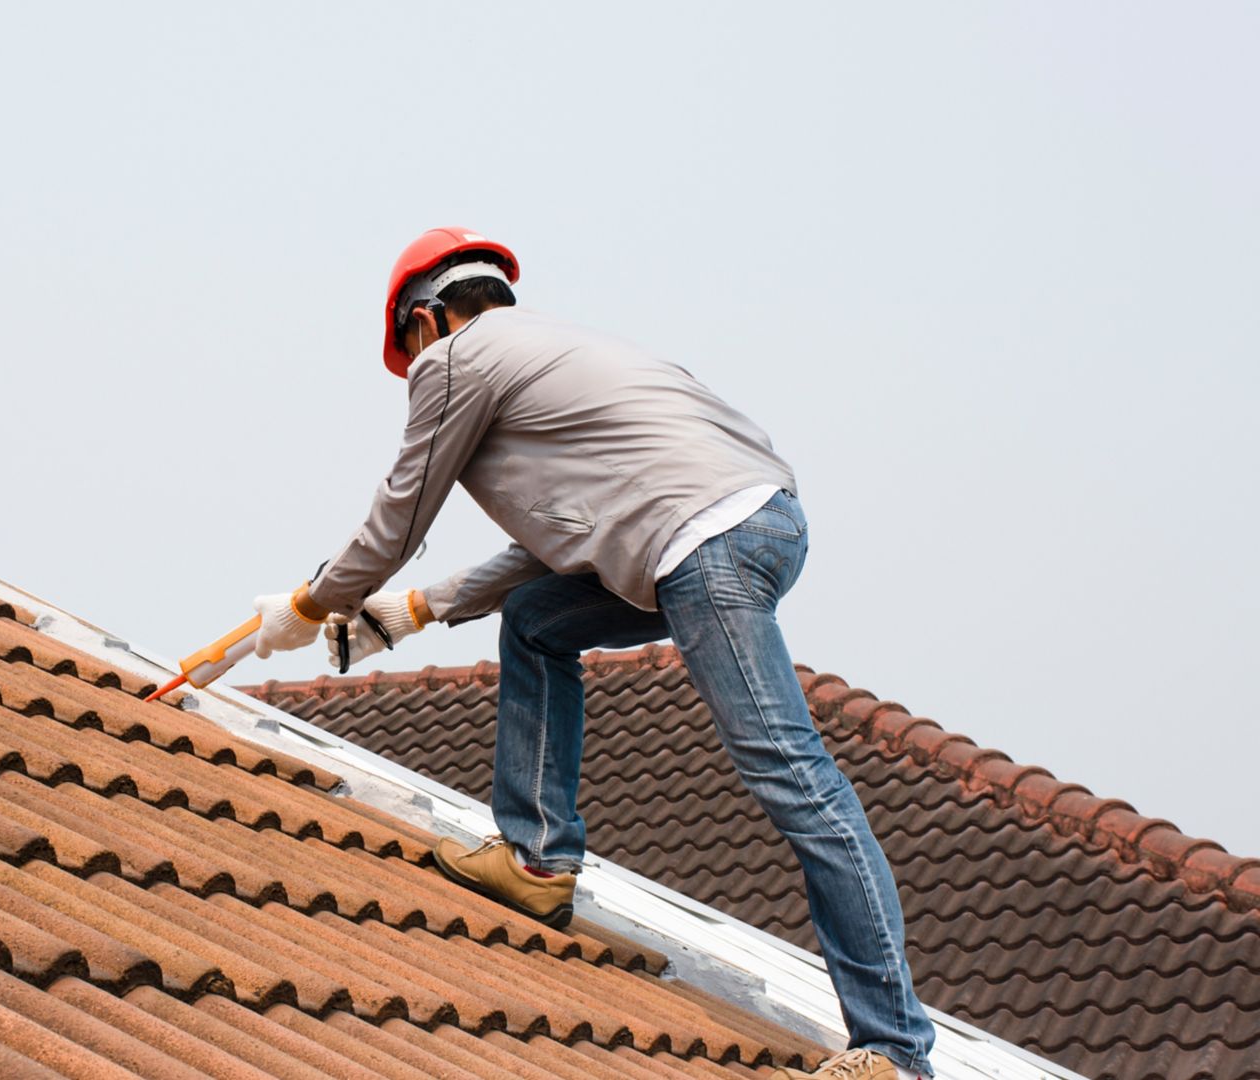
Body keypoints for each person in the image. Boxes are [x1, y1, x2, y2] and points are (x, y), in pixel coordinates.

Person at [247, 228, 937, 1080]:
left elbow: (400, 516)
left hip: (701, 543)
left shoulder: (457, 361)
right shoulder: (563, 353)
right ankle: (537, 857)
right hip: (748, 522)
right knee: (539, 619)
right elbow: (571, 544)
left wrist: (313, 603)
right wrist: (418, 610)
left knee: (793, 776)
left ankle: (897, 1054)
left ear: (424, 321)